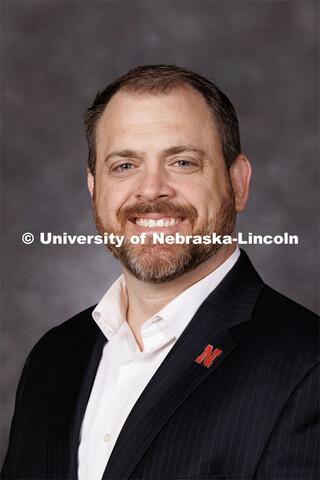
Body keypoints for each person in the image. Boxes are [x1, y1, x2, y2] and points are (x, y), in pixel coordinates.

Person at [1, 65, 318, 480]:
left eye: (183, 162)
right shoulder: (53, 357)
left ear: (237, 184)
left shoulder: (307, 364)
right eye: (124, 166)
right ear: (95, 190)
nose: (151, 190)